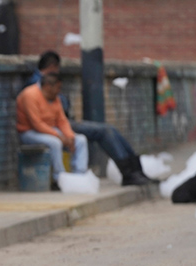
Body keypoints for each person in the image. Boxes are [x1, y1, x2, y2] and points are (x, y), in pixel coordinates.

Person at [27, 51, 152, 186]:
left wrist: (68, 134)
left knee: (110, 129)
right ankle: (128, 173)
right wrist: (63, 135)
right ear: (52, 67)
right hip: (52, 126)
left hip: (62, 123)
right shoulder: (37, 86)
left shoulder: (49, 84)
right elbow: (42, 120)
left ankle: (136, 169)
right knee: (104, 132)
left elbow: (60, 114)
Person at [16, 72, 88, 181]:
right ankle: (60, 177)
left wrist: (69, 136)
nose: (59, 91)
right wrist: (58, 136)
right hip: (29, 132)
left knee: (81, 140)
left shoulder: (55, 98)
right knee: (55, 142)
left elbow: (62, 120)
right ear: (48, 86)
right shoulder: (30, 95)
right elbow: (37, 124)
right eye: (58, 88)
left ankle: (80, 176)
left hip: (50, 131)